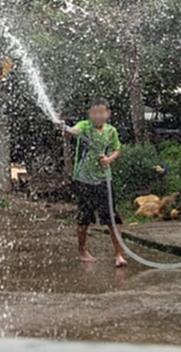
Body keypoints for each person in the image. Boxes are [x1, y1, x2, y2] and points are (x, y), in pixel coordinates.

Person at [57, 98, 127, 267]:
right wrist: (63, 127)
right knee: (84, 216)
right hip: (83, 179)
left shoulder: (111, 131)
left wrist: (108, 159)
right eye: (94, 112)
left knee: (112, 217)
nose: (98, 116)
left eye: (102, 112)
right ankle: (82, 250)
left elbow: (117, 149)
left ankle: (119, 254)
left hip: (104, 179)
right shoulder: (84, 126)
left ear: (108, 113)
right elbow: (72, 131)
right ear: (89, 114)